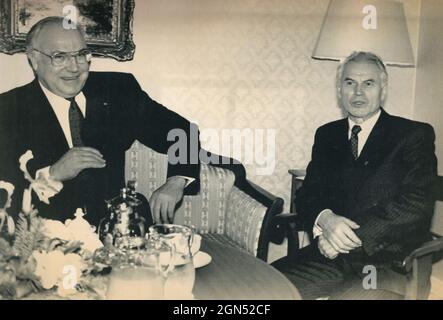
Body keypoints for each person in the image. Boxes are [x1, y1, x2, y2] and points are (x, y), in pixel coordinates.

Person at [0, 16, 200, 227]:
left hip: (116, 234)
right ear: (34, 60)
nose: (75, 67)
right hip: (44, 241)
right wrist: (53, 175)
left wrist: (176, 181)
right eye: (60, 57)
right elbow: (6, 197)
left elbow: (182, 132)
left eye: (81, 54)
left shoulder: (117, 90)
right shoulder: (8, 110)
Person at [272, 51, 438, 299]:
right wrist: (325, 220)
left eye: (368, 83)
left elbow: (416, 204)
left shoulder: (413, 135)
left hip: (387, 265)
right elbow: (308, 193)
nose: (358, 92)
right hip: (327, 259)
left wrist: (344, 238)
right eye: (350, 83)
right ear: (340, 90)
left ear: (383, 89)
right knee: (257, 287)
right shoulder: (327, 135)